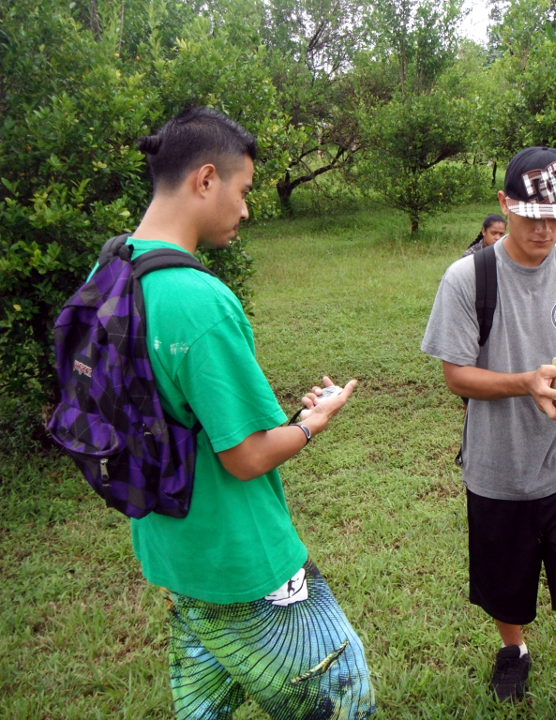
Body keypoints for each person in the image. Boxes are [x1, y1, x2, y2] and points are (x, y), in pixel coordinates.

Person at [117, 107, 375, 718]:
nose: (247, 209)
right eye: (245, 190)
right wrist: (313, 421)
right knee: (348, 700)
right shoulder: (199, 300)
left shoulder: (113, 269)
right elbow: (247, 455)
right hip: (243, 563)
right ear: (206, 179)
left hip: (172, 551)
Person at [421, 147, 556, 720]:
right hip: (496, 467)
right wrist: (526, 382)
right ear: (504, 206)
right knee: (504, 583)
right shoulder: (469, 278)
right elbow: (455, 375)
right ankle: (513, 649)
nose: (544, 229)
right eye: (532, 215)